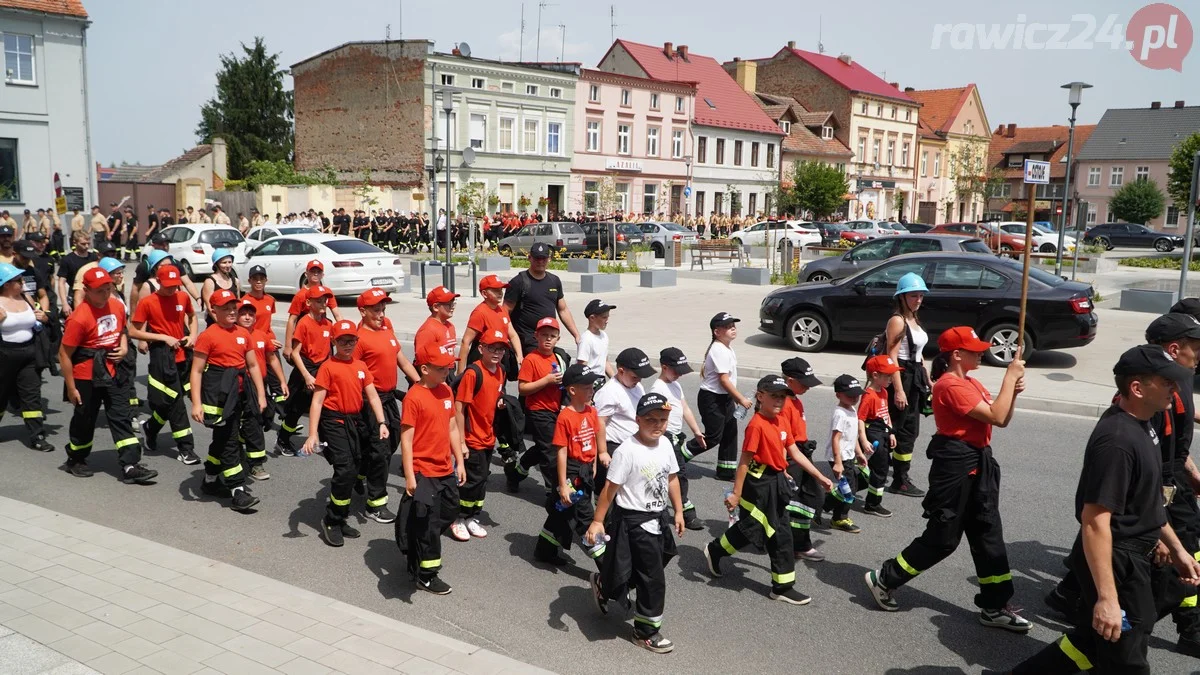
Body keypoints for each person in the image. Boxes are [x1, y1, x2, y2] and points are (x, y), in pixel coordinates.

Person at [1007, 345, 1200, 675]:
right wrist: (1108, 598)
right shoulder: (1117, 441)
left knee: (1091, 642)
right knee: (1127, 659)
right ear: (1137, 389)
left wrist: (1176, 547)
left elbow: (1147, 500)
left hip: (1137, 553)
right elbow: (1095, 522)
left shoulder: (1145, 424)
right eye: (1167, 382)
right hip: (1118, 560)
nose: (1175, 388)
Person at [865, 326, 1031, 632]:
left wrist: (1014, 391)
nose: (981, 352)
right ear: (957, 354)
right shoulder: (949, 386)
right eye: (975, 349)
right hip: (955, 467)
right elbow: (995, 415)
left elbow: (1002, 418)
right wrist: (1008, 378)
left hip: (980, 464)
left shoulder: (974, 382)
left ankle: (994, 606)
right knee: (943, 539)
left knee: (988, 534)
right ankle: (884, 578)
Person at [704, 375, 833, 604]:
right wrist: (736, 493)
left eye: (783, 397)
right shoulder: (756, 425)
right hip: (758, 484)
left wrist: (819, 475)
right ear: (760, 396)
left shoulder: (782, 420)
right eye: (774, 396)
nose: (779, 401)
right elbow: (744, 461)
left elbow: (792, 452)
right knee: (758, 530)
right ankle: (717, 551)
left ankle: (781, 586)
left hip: (777, 481)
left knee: (772, 531)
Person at [586, 392, 684, 654]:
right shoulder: (627, 451)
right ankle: (645, 632)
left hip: (659, 518)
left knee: (648, 565)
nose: (657, 425)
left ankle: (604, 584)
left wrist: (678, 511)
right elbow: (609, 488)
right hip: (634, 521)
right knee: (652, 579)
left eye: (662, 419)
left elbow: (672, 478)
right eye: (651, 419)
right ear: (637, 419)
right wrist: (597, 521)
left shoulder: (665, 445)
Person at [58, 268, 157, 484]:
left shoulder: (115, 305)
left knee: (121, 416)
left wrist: (122, 347)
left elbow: (122, 329)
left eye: (108, 288)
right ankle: (76, 458)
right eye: (99, 291)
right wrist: (71, 387)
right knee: (85, 419)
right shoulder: (79, 318)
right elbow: (64, 355)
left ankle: (130, 465)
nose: (105, 294)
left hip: (115, 370)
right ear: (86, 290)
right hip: (87, 375)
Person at [299, 319, 389, 546]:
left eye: (352, 340)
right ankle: (331, 520)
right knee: (345, 469)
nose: (348, 344)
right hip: (333, 422)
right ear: (334, 341)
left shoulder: (360, 366)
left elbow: (373, 396)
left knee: (356, 466)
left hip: (355, 421)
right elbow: (317, 402)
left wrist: (381, 422)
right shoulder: (328, 367)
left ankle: (341, 516)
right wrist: (312, 434)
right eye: (343, 341)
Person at [189, 288, 266, 512]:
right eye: (226, 308)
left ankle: (210, 480)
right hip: (218, 395)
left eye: (234, 307)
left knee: (224, 438)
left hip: (242, 393)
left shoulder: (244, 334)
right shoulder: (208, 336)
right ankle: (238, 490)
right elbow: (196, 371)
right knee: (230, 440)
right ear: (214, 310)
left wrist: (260, 395)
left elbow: (252, 365)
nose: (233, 311)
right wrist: (196, 404)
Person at [397, 342, 465, 595]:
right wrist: (410, 475)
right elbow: (406, 439)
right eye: (441, 368)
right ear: (424, 369)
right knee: (429, 526)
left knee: (449, 511)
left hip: (445, 468)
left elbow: (452, 428)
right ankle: (426, 575)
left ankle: (414, 540)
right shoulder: (414, 397)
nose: (447, 371)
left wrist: (459, 459)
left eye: (448, 367)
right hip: (423, 472)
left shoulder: (446, 391)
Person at [353, 288, 419, 524]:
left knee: (392, 443)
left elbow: (401, 360)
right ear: (362, 311)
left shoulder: (387, 330)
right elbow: (356, 376)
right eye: (376, 310)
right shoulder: (359, 339)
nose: (381, 314)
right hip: (372, 401)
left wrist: (419, 384)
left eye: (383, 309)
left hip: (389, 398)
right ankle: (375, 504)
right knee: (380, 452)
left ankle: (360, 474)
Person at [535, 364, 606, 565]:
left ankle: (544, 549)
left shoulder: (592, 412)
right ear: (572, 391)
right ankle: (608, 568)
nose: (591, 390)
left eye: (592, 386)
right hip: (572, 471)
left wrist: (593, 462)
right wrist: (563, 484)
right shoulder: (565, 417)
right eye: (586, 387)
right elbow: (561, 451)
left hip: (585, 470)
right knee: (585, 518)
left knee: (562, 511)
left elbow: (593, 437)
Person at [129, 264, 200, 465]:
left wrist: (193, 335)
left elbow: (193, 317)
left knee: (170, 401)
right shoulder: (148, 302)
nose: (172, 289)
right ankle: (187, 449)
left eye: (175, 285)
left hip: (183, 353)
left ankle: (150, 428)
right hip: (162, 355)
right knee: (176, 402)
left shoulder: (183, 297)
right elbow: (133, 331)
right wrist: (161, 338)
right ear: (158, 282)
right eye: (168, 286)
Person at [452, 326, 509, 541]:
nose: (496, 353)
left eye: (501, 349)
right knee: (469, 481)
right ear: (481, 348)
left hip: (488, 437)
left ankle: (472, 516)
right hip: (472, 438)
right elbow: (459, 408)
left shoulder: (501, 370)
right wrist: (461, 441)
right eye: (492, 348)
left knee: (482, 479)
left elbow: (496, 394)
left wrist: (501, 402)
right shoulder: (472, 373)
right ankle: (458, 517)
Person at [687, 312, 751, 482]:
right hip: (712, 399)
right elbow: (724, 380)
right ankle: (678, 456)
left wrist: (733, 398)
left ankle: (726, 471)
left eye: (734, 326)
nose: (733, 329)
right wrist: (740, 399)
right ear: (717, 332)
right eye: (728, 327)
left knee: (730, 433)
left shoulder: (726, 348)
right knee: (714, 436)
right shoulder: (718, 350)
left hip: (724, 398)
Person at [508, 317, 569, 492]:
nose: (548, 339)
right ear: (536, 336)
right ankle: (554, 491)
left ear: (558, 338)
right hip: (538, 411)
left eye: (552, 335)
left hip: (556, 409)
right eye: (544, 335)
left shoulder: (559, 356)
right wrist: (546, 380)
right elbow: (523, 389)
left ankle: (516, 472)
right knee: (550, 451)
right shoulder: (531, 359)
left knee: (544, 447)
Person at [649, 347, 705, 530]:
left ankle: (672, 509)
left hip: (675, 437)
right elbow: (654, 418)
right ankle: (686, 514)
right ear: (664, 367)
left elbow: (685, 409)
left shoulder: (675, 385)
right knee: (678, 475)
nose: (679, 375)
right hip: (665, 438)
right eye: (676, 371)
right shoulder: (658, 388)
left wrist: (696, 431)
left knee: (674, 475)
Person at [887, 272, 932, 497]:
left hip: (914, 378)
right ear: (902, 297)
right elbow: (892, 357)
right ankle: (899, 480)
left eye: (921, 296)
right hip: (902, 377)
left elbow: (919, 353)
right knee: (899, 429)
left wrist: (927, 378)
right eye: (913, 296)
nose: (918, 300)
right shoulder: (897, 321)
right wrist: (898, 389)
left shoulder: (914, 319)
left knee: (910, 430)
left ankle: (897, 472)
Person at [277, 285, 334, 456]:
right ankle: (283, 438)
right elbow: (295, 353)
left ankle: (323, 439)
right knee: (297, 408)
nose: (324, 303)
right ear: (309, 302)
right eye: (319, 300)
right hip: (306, 369)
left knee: (324, 406)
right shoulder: (304, 323)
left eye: (325, 300)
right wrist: (307, 376)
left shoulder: (328, 323)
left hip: (322, 368)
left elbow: (329, 349)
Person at [0, 262, 52, 452]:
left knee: (32, 395)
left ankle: (37, 435)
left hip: (29, 354)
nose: (22, 282)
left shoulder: (26, 297)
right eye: (18, 280)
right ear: (6, 284)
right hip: (4, 355)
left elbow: (40, 320)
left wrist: (43, 318)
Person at [779, 357, 827, 561]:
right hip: (791, 458)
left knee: (807, 499)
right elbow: (782, 438)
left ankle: (797, 542)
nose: (808, 387)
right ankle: (800, 545)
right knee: (802, 500)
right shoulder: (783, 403)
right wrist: (783, 467)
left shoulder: (796, 400)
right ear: (790, 380)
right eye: (804, 382)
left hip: (800, 454)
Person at [238, 298, 286, 480]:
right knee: (254, 423)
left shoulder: (261, 335)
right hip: (242, 386)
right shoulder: (234, 336)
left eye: (251, 314)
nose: (248, 317)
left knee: (266, 418)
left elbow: (272, 359)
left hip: (260, 385)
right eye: (243, 314)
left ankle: (241, 438)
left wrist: (281, 381)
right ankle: (256, 464)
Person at [594, 348, 655, 489]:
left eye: (641, 377)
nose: (639, 380)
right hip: (615, 446)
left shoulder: (637, 386)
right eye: (635, 376)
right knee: (609, 488)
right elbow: (600, 422)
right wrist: (602, 452)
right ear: (621, 371)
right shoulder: (610, 392)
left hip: (634, 443)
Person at [504, 242, 580, 355]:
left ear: (549, 259)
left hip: (548, 339)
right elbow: (504, 313)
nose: (540, 262)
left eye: (543, 258)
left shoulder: (554, 281)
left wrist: (576, 335)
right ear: (529, 258)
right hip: (527, 340)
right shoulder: (518, 282)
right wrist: (510, 339)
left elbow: (563, 310)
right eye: (537, 258)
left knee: (563, 358)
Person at [823, 374, 870, 534]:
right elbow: (836, 439)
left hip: (849, 456)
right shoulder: (840, 413)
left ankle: (824, 504)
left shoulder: (852, 410)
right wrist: (838, 462)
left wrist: (858, 453)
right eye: (850, 395)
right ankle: (838, 518)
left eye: (856, 395)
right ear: (838, 395)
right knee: (849, 489)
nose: (854, 398)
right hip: (839, 458)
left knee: (852, 487)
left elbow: (852, 435)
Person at [456, 275, 522, 379]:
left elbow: (512, 335)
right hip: (483, 360)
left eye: (501, 289)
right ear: (484, 294)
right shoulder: (480, 312)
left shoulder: (502, 310)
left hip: (500, 359)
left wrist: (520, 356)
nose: (500, 293)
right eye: (495, 290)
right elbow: (466, 341)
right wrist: (460, 372)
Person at [858, 355, 900, 518]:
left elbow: (885, 414)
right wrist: (863, 440)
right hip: (872, 434)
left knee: (879, 468)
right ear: (875, 375)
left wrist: (891, 432)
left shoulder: (883, 392)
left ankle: (842, 496)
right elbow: (860, 419)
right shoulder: (869, 395)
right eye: (888, 375)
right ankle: (872, 504)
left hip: (882, 432)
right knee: (879, 469)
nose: (891, 378)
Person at [283, 261, 343, 364]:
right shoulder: (300, 295)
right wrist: (288, 346)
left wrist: (344, 334)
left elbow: (337, 315)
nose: (315, 274)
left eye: (318, 272)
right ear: (306, 274)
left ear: (322, 275)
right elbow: (292, 320)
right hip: (306, 336)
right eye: (312, 271)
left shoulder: (327, 293)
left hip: (322, 334)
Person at [56, 231, 96, 316]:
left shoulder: (93, 257)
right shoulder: (67, 260)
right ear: (74, 242)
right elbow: (61, 283)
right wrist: (64, 304)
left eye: (88, 244)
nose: (86, 246)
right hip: (75, 296)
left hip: (93, 296)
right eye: (83, 244)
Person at [576, 299, 616, 383]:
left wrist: (616, 381)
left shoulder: (604, 336)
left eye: (608, 317)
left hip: (601, 380)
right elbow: (582, 366)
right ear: (592, 318)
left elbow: (605, 362)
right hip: (589, 381)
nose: (607, 320)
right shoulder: (586, 339)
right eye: (604, 317)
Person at [415, 286, 458, 361]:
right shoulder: (427, 331)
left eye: (453, 303)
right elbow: (421, 359)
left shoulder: (450, 326)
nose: (453, 307)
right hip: (437, 371)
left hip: (448, 369)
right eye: (449, 304)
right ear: (435, 307)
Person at [201, 249, 239, 326]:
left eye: (230, 262)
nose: (228, 265)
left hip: (232, 324)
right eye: (224, 263)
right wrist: (222, 326)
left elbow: (237, 305)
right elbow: (210, 308)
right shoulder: (210, 281)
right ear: (216, 264)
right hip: (215, 324)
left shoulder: (235, 281)